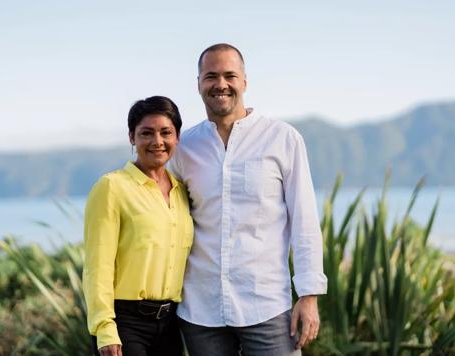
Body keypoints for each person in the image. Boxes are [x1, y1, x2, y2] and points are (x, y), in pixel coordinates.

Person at [168, 44, 327, 355]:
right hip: (201, 311)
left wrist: (309, 295)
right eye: (211, 76)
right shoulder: (183, 147)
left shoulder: (283, 139)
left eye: (230, 75)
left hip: (266, 306)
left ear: (245, 81)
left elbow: (304, 221)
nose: (221, 84)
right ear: (199, 83)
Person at [83, 96, 193, 356]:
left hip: (170, 324)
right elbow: (97, 266)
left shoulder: (182, 191)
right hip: (125, 323)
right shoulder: (111, 187)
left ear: (177, 137)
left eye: (166, 132)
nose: (157, 142)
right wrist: (104, 327)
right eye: (146, 133)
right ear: (132, 137)